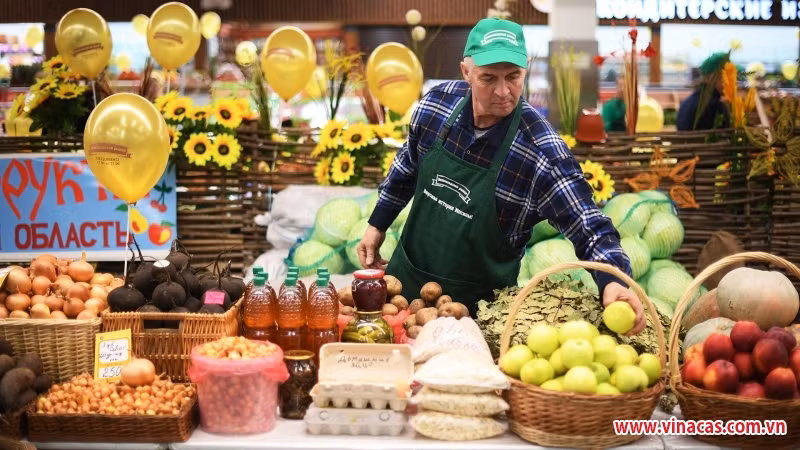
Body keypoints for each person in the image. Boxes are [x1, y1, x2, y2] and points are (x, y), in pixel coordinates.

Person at [357, 18, 645, 335]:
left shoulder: (541, 153)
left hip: (478, 321)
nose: (503, 91)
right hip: (402, 301)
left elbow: (588, 224)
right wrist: (377, 223)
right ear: (466, 71)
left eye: (513, 77)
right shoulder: (436, 106)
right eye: (488, 78)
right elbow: (406, 167)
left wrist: (614, 280)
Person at [676, 52, 731, 131]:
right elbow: (727, 138)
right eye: (728, 76)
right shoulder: (717, 106)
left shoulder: (685, 103)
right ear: (712, 77)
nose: (731, 82)